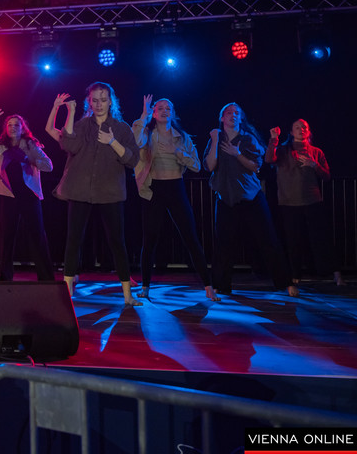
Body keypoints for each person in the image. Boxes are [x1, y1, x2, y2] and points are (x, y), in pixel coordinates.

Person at [54, 82, 141, 306]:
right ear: (89, 102)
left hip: (110, 191)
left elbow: (132, 160)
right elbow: (69, 145)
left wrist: (112, 142)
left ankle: (128, 295)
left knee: (117, 242)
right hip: (80, 189)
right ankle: (67, 293)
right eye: (95, 100)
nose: (99, 104)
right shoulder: (83, 125)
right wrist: (71, 113)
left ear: (111, 101)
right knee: (74, 240)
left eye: (103, 99)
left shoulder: (121, 128)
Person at [204, 103, 297, 297]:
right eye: (229, 113)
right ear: (222, 118)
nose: (233, 115)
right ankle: (221, 285)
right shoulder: (216, 139)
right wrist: (214, 140)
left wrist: (237, 154)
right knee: (223, 243)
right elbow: (210, 166)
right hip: (226, 197)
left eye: (237, 113)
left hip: (251, 196)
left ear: (241, 118)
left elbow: (256, 167)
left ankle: (284, 282)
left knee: (268, 239)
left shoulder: (248, 138)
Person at [132, 95, 214, 301]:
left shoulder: (182, 137)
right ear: (154, 113)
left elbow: (196, 166)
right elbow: (136, 141)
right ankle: (145, 286)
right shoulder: (148, 134)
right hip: (154, 189)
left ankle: (208, 286)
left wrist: (176, 151)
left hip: (176, 187)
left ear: (173, 113)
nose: (164, 111)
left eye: (168, 108)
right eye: (159, 108)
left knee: (190, 237)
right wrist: (143, 114)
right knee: (149, 239)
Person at [0, 114, 55, 282]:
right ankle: (5, 278)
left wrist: (29, 159)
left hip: (29, 196)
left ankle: (46, 278)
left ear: (22, 128)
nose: (13, 127)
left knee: (37, 236)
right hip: (9, 197)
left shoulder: (30, 145)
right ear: (5, 128)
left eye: (16, 125)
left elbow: (48, 165)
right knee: (6, 238)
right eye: (10, 125)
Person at [266, 119, 338, 285]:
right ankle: (295, 275)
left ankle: (333, 273)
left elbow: (327, 176)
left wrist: (314, 165)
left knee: (321, 238)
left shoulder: (316, 151)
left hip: (312, 200)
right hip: (289, 202)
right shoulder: (283, 150)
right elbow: (269, 159)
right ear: (291, 132)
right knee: (293, 241)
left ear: (309, 131)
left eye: (304, 127)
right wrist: (273, 139)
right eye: (297, 127)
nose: (301, 129)